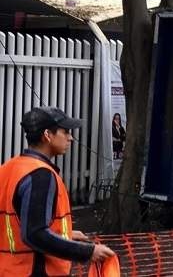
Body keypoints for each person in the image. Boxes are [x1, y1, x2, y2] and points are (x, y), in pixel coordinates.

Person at [0, 107, 115, 276]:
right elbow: (35, 234)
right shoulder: (40, 175)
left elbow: (19, 222)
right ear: (47, 135)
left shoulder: (10, 168)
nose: (71, 138)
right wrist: (88, 252)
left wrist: (65, 233)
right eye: (66, 132)